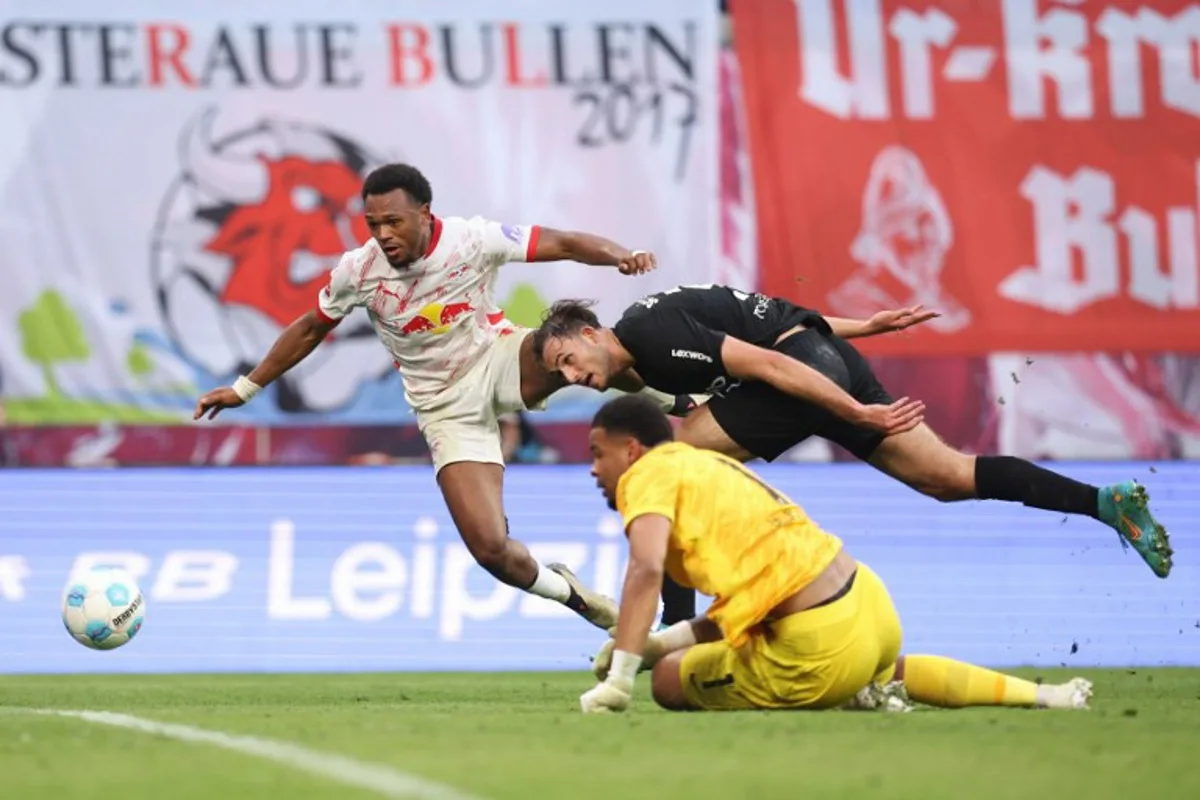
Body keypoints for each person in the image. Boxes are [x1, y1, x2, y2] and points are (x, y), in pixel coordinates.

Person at [193, 163, 692, 632]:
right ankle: (576, 597)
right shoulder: (359, 272)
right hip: (445, 408)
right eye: (372, 224)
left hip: (496, 359)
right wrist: (246, 388)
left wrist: (619, 255)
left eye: (393, 221)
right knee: (490, 548)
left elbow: (559, 241)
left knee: (572, 353)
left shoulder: (471, 240)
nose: (383, 234)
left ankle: (683, 402)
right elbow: (309, 329)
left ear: (424, 214)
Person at [532, 285, 1173, 593]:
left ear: (591, 332)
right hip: (826, 357)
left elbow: (775, 365)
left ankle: (670, 634)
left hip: (811, 372)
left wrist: (856, 415)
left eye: (567, 360)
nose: (572, 378)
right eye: (560, 374)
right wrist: (864, 327)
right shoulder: (638, 360)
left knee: (672, 466)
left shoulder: (647, 332)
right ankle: (1106, 503)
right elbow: (779, 321)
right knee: (947, 478)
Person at [577, 395, 1093, 714]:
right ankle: (1047, 695)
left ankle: (845, 691)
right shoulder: (707, 469)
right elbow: (743, 610)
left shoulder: (646, 475)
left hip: (819, 645)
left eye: (598, 454)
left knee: (670, 681)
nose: (594, 470)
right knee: (890, 671)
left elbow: (644, 569)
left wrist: (624, 677)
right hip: (869, 606)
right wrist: (651, 644)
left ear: (632, 450)